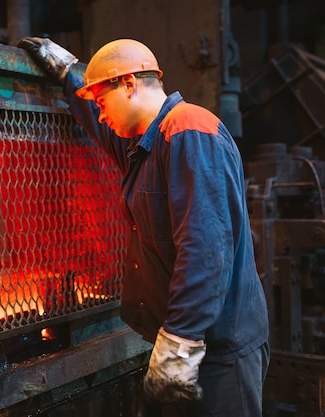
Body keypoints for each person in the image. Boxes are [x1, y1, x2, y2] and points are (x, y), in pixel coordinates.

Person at [18, 37, 270, 416]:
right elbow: (99, 127)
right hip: (189, 344)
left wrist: (179, 346)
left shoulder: (189, 131)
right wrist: (69, 71)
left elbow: (205, 251)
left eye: (102, 102)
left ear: (129, 85)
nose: (100, 115)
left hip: (218, 353)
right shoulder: (145, 146)